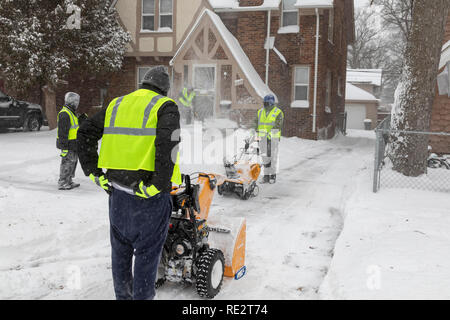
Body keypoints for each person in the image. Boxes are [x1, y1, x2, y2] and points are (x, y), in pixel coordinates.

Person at [77, 66, 181, 300]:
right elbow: (169, 149)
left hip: (118, 196)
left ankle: (123, 297)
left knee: (121, 253)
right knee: (146, 256)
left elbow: (84, 133)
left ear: (143, 83)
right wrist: (157, 185)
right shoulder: (165, 107)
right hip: (148, 198)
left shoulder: (116, 104)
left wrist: (95, 173)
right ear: (164, 89)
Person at [254, 94, 284, 184]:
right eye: (264, 103)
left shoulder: (278, 112)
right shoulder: (260, 112)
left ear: (271, 103)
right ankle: (266, 176)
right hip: (262, 138)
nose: (264, 105)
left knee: (272, 157)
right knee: (264, 157)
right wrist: (257, 137)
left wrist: (269, 134)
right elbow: (256, 125)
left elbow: (278, 125)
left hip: (273, 138)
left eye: (266, 103)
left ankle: (273, 176)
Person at [56, 92, 81, 190]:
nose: (77, 103)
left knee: (73, 163)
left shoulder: (71, 112)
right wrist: (64, 147)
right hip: (67, 144)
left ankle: (69, 180)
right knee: (67, 163)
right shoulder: (65, 114)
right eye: (76, 101)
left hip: (73, 143)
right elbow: (62, 133)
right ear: (71, 101)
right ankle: (62, 182)